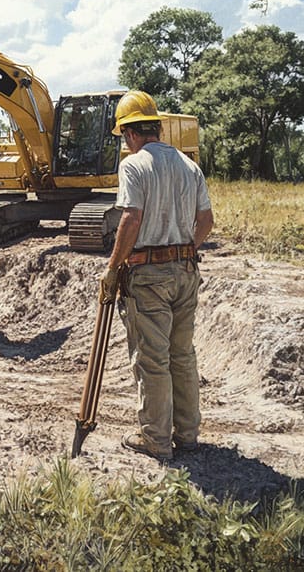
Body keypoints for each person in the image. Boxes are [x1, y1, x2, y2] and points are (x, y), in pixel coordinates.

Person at [99, 90, 214, 463]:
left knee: (152, 359)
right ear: (157, 127)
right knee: (182, 355)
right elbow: (207, 221)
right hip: (185, 270)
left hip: (148, 275)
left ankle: (156, 440)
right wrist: (186, 250)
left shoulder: (134, 166)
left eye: (124, 137)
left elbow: (131, 219)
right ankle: (189, 434)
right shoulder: (188, 165)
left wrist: (114, 267)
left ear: (130, 133)